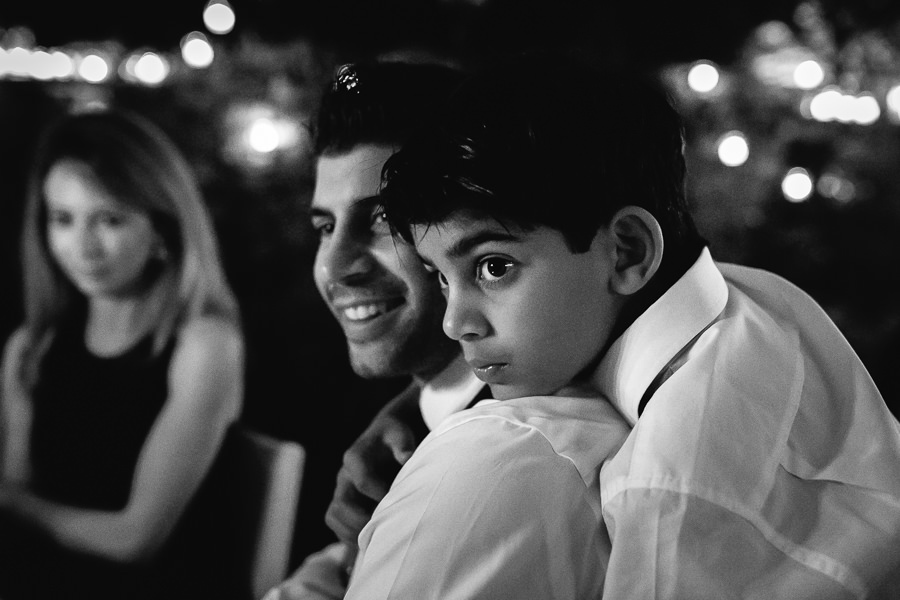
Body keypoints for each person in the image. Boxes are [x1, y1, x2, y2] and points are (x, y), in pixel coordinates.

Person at [379, 52, 900, 599]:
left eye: (494, 267)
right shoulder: (759, 297)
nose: (454, 323)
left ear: (628, 250)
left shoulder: (674, 493)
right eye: (440, 276)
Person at [0, 108, 244, 599]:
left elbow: (136, 540)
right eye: (62, 219)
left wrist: (11, 503)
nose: (83, 247)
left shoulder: (203, 345)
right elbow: (18, 494)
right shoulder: (33, 345)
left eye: (109, 219)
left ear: (161, 229)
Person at [261, 60, 478, 600]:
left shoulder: (495, 457)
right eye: (325, 226)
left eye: (383, 217)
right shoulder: (420, 420)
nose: (334, 267)